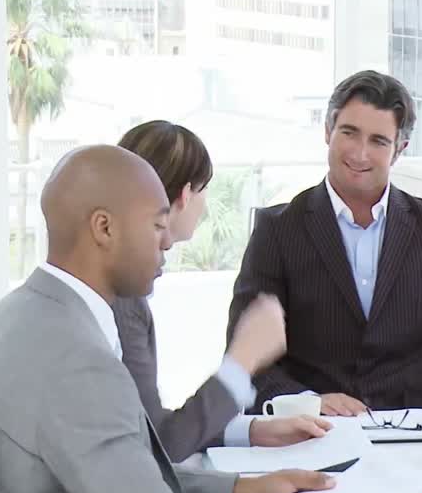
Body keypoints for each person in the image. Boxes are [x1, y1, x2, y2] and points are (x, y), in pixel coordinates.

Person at [0, 144, 408, 493]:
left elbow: (117, 481)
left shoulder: (18, 318)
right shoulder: (72, 358)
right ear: (104, 228)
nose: (168, 241)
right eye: (155, 226)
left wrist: (238, 492)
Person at [228, 70, 422, 426]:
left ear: (399, 150)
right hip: (312, 433)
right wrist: (306, 403)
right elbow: (246, 352)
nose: (360, 153)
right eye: (349, 133)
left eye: (378, 140)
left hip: (415, 434)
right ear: (328, 131)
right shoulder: (278, 230)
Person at [111, 120, 330, 462]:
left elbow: (148, 426)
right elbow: (158, 445)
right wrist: (241, 362)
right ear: (186, 194)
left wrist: (251, 431)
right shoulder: (122, 299)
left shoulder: (119, 287)